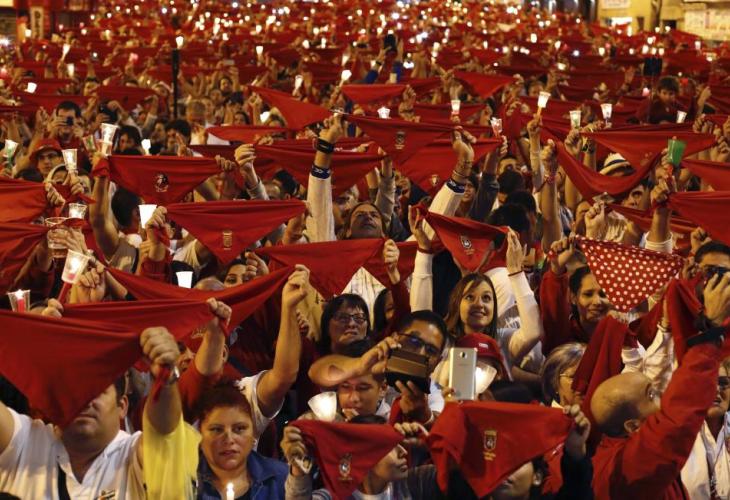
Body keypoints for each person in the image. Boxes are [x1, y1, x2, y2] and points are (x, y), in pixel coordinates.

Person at [590, 273, 730, 499]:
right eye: (652, 394)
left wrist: (668, 320)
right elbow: (678, 417)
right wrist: (710, 334)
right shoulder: (628, 468)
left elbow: (659, 375)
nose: (664, 394)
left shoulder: (627, 449)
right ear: (633, 426)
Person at [0, 327, 183, 499]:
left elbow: (163, 434)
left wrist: (166, 379)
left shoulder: (133, 454)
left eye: (97, 390)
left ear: (122, 406)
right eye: (72, 390)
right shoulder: (24, 439)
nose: (84, 399)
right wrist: (33, 338)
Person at [196, 383, 287, 499]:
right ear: (199, 434)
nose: (229, 440)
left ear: (253, 432)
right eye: (217, 430)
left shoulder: (281, 479)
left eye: (239, 429)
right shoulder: (184, 483)